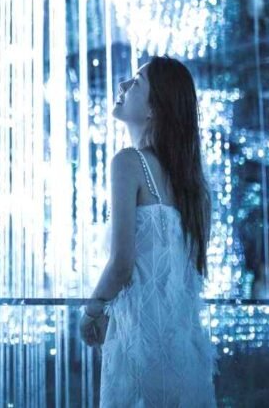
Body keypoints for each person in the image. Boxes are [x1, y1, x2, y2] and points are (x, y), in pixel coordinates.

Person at [79, 55, 218, 406]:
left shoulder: (128, 162)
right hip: (185, 351)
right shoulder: (194, 187)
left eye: (136, 83)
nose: (122, 85)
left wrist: (91, 312)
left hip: (139, 349)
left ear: (155, 107)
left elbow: (121, 264)